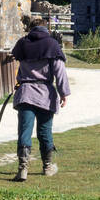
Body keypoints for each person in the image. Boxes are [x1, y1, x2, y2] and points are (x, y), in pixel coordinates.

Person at [10, 15, 71, 182]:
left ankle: (23, 170)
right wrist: (64, 93)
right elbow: (60, 72)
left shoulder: (22, 43)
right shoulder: (52, 44)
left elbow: (15, 64)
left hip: (25, 93)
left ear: (31, 28)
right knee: (44, 132)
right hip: (44, 94)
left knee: (24, 132)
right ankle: (47, 167)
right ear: (46, 28)